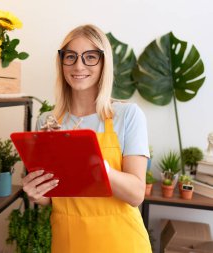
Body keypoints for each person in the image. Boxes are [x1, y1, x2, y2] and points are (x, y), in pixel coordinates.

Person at [22, 24, 152, 253]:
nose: (78, 65)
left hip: (121, 242)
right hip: (68, 242)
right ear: (61, 63)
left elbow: (136, 194)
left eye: (90, 57)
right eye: (70, 57)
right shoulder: (47, 122)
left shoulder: (127, 115)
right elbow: (52, 197)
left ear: (104, 63)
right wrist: (36, 194)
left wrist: (101, 168)